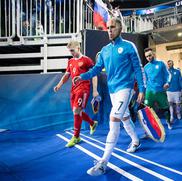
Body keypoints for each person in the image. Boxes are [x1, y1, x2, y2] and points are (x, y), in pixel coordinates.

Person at [73, 17, 145, 176]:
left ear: (120, 28)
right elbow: (96, 70)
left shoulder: (128, 46)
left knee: (114, 118)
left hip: (126, 89)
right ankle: (136, 140)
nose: (109, 30)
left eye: (113, 27)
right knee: (125, 117)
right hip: (113, 92)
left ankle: (103, 162)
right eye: (108, 27)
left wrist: (141, 89)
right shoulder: (104, 50)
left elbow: (138, 69)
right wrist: (82, 76)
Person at [54, 40, 98, 147]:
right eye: (70, 51)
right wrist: (59, 85)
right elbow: (66, 75)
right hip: (73, 90)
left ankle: (76, 137)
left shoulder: (86, 60)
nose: (71, 53)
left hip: (83, 89)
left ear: (78, 48)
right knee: (77, 112)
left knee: (76, 110)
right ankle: (92, 123)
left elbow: (94, 74)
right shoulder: (70, 61)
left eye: (72, 51)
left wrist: (95, 90)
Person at [143, 48, 172, 129]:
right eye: (146, 56)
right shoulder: (146, 67)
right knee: (147, 110)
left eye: (149, 55)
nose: (148, 57)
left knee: (165, 108)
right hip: (150, 92)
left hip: (160, 91)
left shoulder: (161, 64)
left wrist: (167, 83)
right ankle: (149, 128)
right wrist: (144, 89)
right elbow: (145, 80)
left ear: (153, 54)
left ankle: (168, 122)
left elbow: (168, 74)